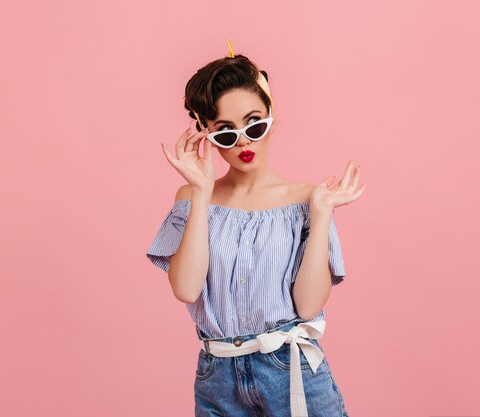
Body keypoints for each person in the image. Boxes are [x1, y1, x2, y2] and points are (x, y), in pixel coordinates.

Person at [147, 40, 365, 417]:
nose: (244, 140)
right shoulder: (194, 197)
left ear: (271, 116)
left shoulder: (307, 200)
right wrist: (201, 191)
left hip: (290, 370)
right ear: (205, 134)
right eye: (225, 132)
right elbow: (185, 288)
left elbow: (310, 304)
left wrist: (323, 212)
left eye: (254, 123)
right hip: (218, 375)